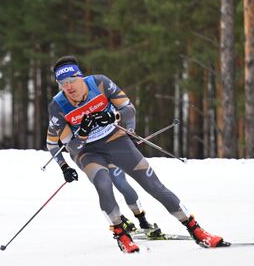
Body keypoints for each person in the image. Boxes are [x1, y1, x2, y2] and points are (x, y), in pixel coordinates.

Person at [45, 55, 227, 253]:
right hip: (88, 152)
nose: (69, 87)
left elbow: (128, 109)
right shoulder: (58, 106)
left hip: (115, 140)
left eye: (72, 80)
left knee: (153, 185)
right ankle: (121, 235)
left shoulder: (100, 83)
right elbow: (55, 145)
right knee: (103, 183)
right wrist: (70, 155)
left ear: (81, 77)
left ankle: (197, 231)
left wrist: (115, 118)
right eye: (62, 83)